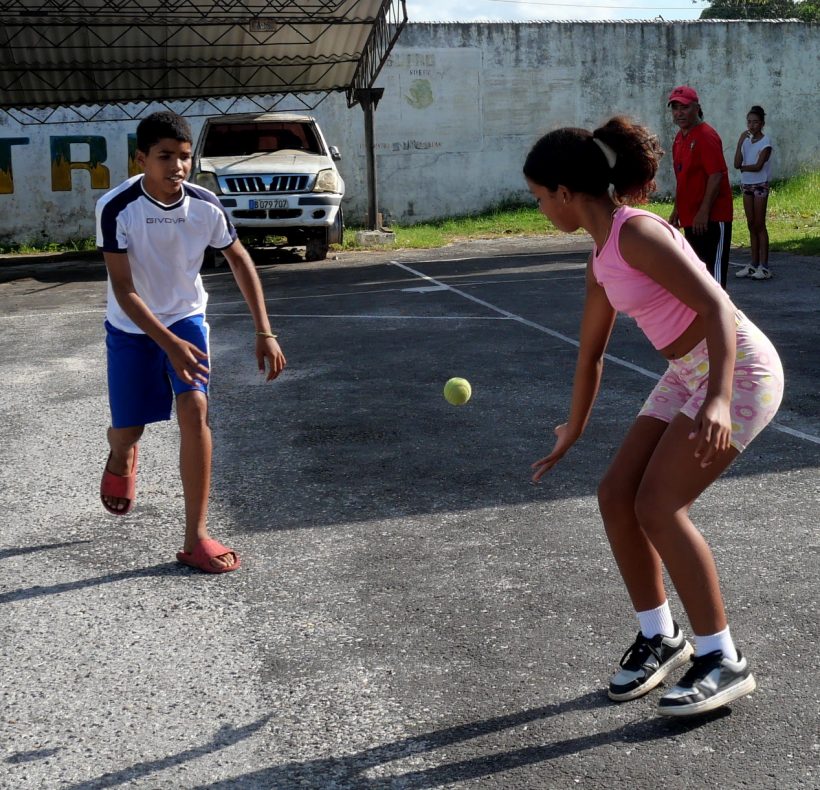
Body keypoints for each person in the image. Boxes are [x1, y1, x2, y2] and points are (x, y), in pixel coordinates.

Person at [523, 116, 784, 716]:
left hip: (737, 366)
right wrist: (574, 428)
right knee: (616, 493)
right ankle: (661, 636)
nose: (540, 209)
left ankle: (723, 658)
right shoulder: (600, 258)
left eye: (540, 199)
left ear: (566, 192)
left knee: (658, 505)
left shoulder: (636, 233)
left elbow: (718, 307)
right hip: (689, 372)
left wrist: (718, 398)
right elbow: (590, 354)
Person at [96, 111, 286, 574]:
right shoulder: (116, 207)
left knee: (195, 409)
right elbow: (124, 289)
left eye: (184, 156)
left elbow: (239, 260)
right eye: (164, 156)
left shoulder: (205, 205)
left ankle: (195, 537)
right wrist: (166, 345)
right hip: (131, 325)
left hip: (186, 317)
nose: (177, 166)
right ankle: (121, 455)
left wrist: (264, 330)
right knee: (129, 430)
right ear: (141, 159)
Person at [667, 86, 733, 290]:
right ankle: (705, 320)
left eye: (684, 107)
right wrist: (677, 210)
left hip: (712, 217)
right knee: (698, 274)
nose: (679, 113)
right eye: (675, 108)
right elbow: (683, 177)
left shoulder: (706, 136)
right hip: (691, 217)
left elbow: (716, 176)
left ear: (697, 108)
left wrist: (704, 212)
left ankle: (724, 320)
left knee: (715, 279)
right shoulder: (679, 138)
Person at [734, 106, 773, 281]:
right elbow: (736, 163)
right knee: (751, 224)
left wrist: (744, 168)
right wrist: (740, 142)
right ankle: (753, 263)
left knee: (759, 224)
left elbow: (758, 166)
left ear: (762, 123)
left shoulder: (766, 143)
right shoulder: (746, 142)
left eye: (755, 122)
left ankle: (764, 266)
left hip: (760, 185)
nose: (751, 125)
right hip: (747, 186)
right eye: (749, 121)